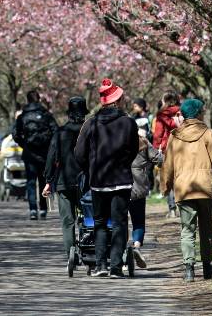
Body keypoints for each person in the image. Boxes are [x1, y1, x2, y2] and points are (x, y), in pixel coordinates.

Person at [75, 78, 139, 278]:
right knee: (120, 223)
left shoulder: (91, 123)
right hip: (121, 180)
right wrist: (123, 164)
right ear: (117, 101)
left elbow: (79, 153)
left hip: (99, 181)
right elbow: (134, 150)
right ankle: (116, 267)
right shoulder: (128, 123)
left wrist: (90, 168)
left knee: (100, 223)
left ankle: (100, 265)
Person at [161, 97, 212, 282]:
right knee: (206, 228)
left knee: (187, 229)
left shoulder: (174, 137)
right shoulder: (209, 134)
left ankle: (189, 269)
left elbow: (167, 166)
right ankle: (207, 268)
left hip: (184, 189)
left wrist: (166, 187)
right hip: (206, 188)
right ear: (198, 113)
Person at [43, 96, 89, 263]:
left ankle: (70, 253)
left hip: (64, 181)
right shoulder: (89, 131)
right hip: (87, 182)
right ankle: (88, 248)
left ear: (69, 114)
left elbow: (51, 157)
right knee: (88, 217)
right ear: (84, 113)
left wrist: (48, 181)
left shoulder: (60, 133)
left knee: (67, 220)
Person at [12, 90, 58, 220]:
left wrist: (24, 144)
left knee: (31, 182)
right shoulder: (46, 115)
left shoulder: (22, 116)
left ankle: (33, 210)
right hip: (44, 155)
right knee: (44, 181)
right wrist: (50, 147)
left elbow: (15, 134)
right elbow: (56, 131)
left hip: (29, 154)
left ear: (27, 100)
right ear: (38, 99)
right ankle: (43, 209)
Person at [129, 121, 164, 269]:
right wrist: (161, 153)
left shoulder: (115, 141)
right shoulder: (142, 142)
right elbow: (159, 159)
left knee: (118, 223)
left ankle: (122, 255)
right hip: (137, 188)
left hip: (117, 186)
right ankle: (136, 247)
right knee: (138, 221)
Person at [153, 92, 182, 215]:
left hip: (166, 149)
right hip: (182, 148)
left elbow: (158, 134)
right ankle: (182, 206)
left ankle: (172, 210)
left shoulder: (161, 115)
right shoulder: (182, 112)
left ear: (165, 101)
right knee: (180, 178)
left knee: (168, 179)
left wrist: (155, 150)